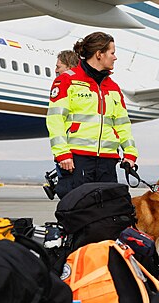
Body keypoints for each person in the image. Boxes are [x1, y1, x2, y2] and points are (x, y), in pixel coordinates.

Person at [46, 32, 138, 199]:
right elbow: (55, 119)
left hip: (108, 161)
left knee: (108, 214)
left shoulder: (114, 87)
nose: (115, 58)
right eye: (112, 53)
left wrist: (130, 153)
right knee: (76, 213)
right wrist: (62, 154)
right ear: (99, 54)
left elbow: (122, 124)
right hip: (77, 160)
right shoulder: (67, 81)